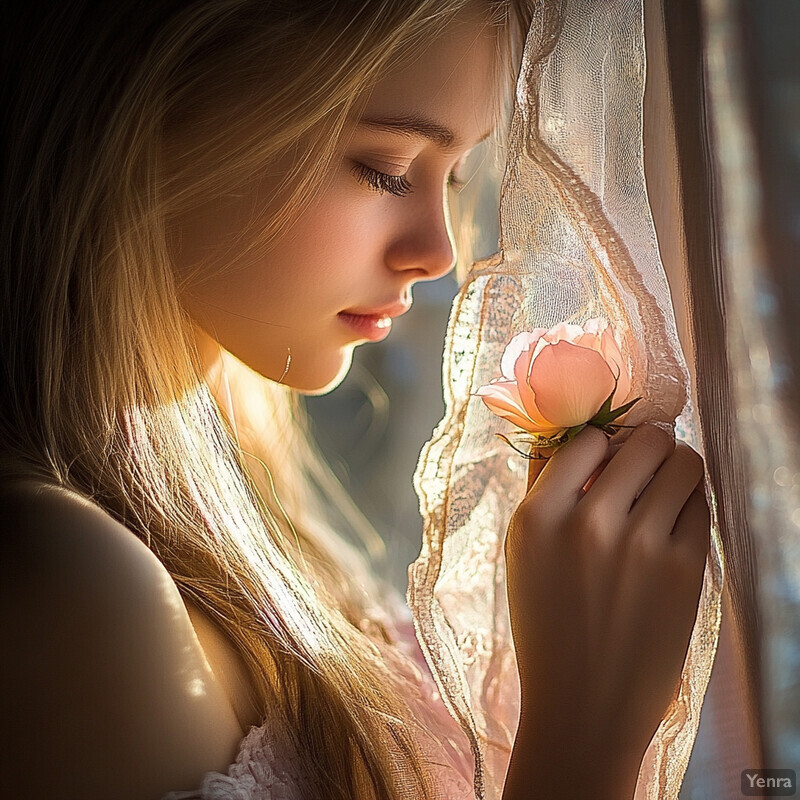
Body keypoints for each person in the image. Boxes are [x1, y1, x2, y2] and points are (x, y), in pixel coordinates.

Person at [0, 1, 711, 798]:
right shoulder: (59, 584)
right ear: (142, 106)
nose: (438, 254)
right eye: (386, 169)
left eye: (458, 174)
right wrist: (581, 747)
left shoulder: (236, 488)